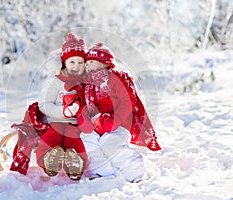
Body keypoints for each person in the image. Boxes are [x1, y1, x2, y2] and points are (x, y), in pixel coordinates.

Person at [80, 42, 161, 182]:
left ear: (104, 62)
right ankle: (102, 172)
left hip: (118, 124)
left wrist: (114, 120)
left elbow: (128, 100)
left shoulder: (117, 77)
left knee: (113, 145)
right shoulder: (88, 83)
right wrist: (85, 119)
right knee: (88, 142)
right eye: (86, 63)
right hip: (97, 125)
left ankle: (136, 174)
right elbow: (86, 105)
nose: (87, 66)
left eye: (91, 62)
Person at [33, 32, 89, 181]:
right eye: (72, 62)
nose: (76, 66)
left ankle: (76, 163)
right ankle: (49, 160)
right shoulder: (55, 82)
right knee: (49, 141)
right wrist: (62, 112)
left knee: (77, 143)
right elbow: (44, 104)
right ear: (64, 63)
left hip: (75, 126)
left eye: (80, 62)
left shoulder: (86, 83)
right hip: (55, 123)